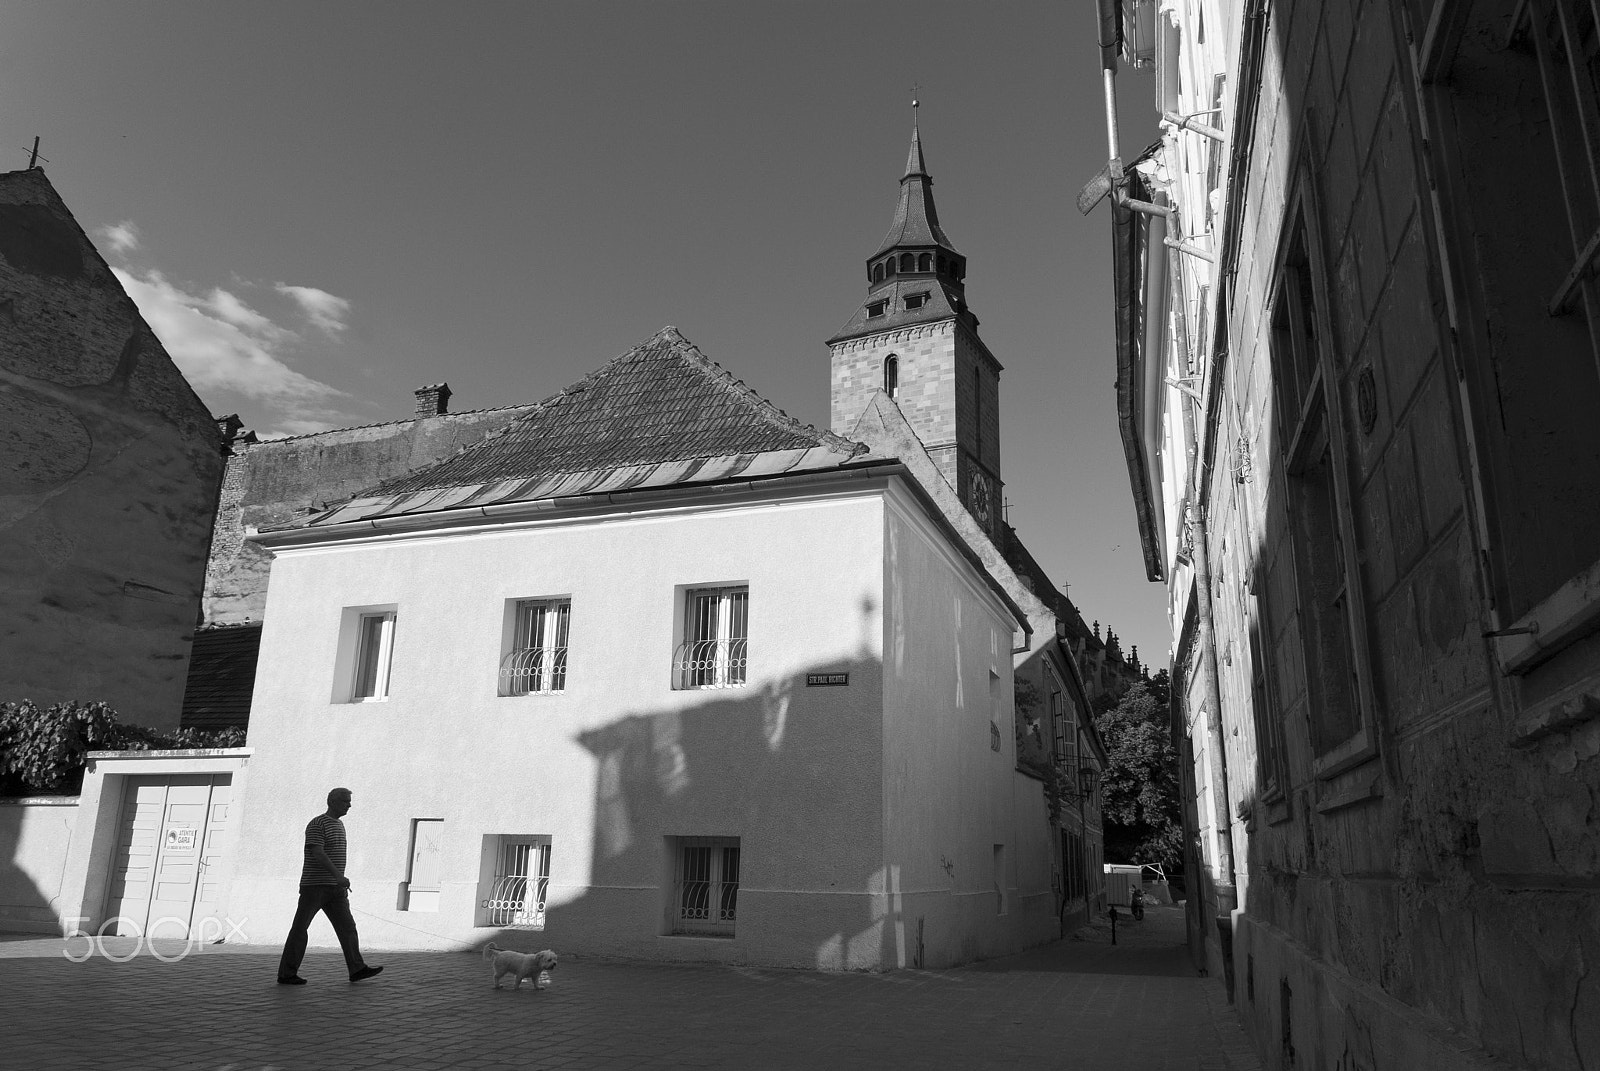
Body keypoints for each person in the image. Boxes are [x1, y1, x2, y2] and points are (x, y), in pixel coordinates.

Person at [277, 787, 384, 985]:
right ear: (332, 801)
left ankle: (357, 968)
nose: (349, 805)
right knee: (300, 929)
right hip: (315, 886)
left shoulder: (339, 825)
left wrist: (338, 881)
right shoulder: (317, 824)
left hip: (336, 889)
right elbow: (317, 853)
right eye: (345, 801)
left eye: (349, 801)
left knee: (348, 927)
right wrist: (338, 875)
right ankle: (287, 973)